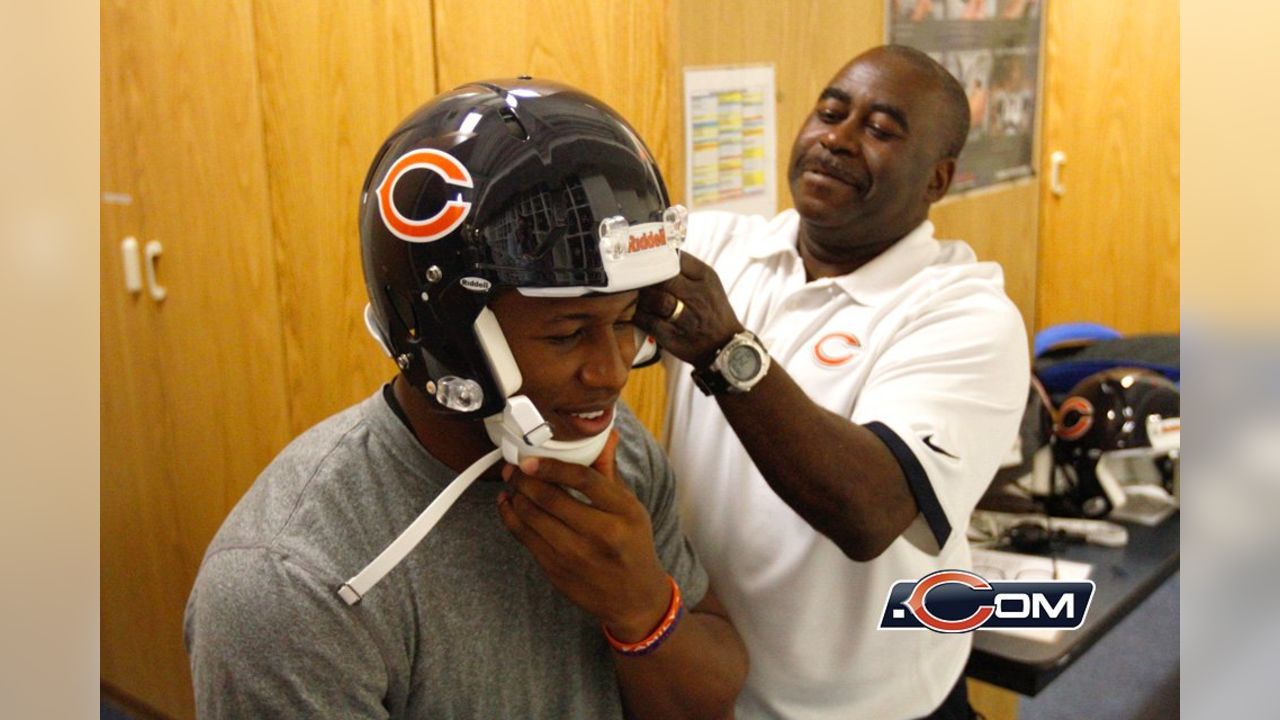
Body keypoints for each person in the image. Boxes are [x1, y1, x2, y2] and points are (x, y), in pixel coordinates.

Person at [184, 78, 747, 719]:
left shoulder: (611, 452)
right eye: (567, 334)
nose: (614, 372)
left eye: (624, 322)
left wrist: (641, 607)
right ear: (448, 336)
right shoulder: (292, 584)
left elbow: (713, 700)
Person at [636, 45, 1030, 719]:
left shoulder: (967, 316)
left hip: (878, 708)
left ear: (938, 180)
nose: (837, 140)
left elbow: (868, 511)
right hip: (715, 689)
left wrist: (724, 348)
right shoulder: (719, 245)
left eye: (880, 130)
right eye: (830, 112)